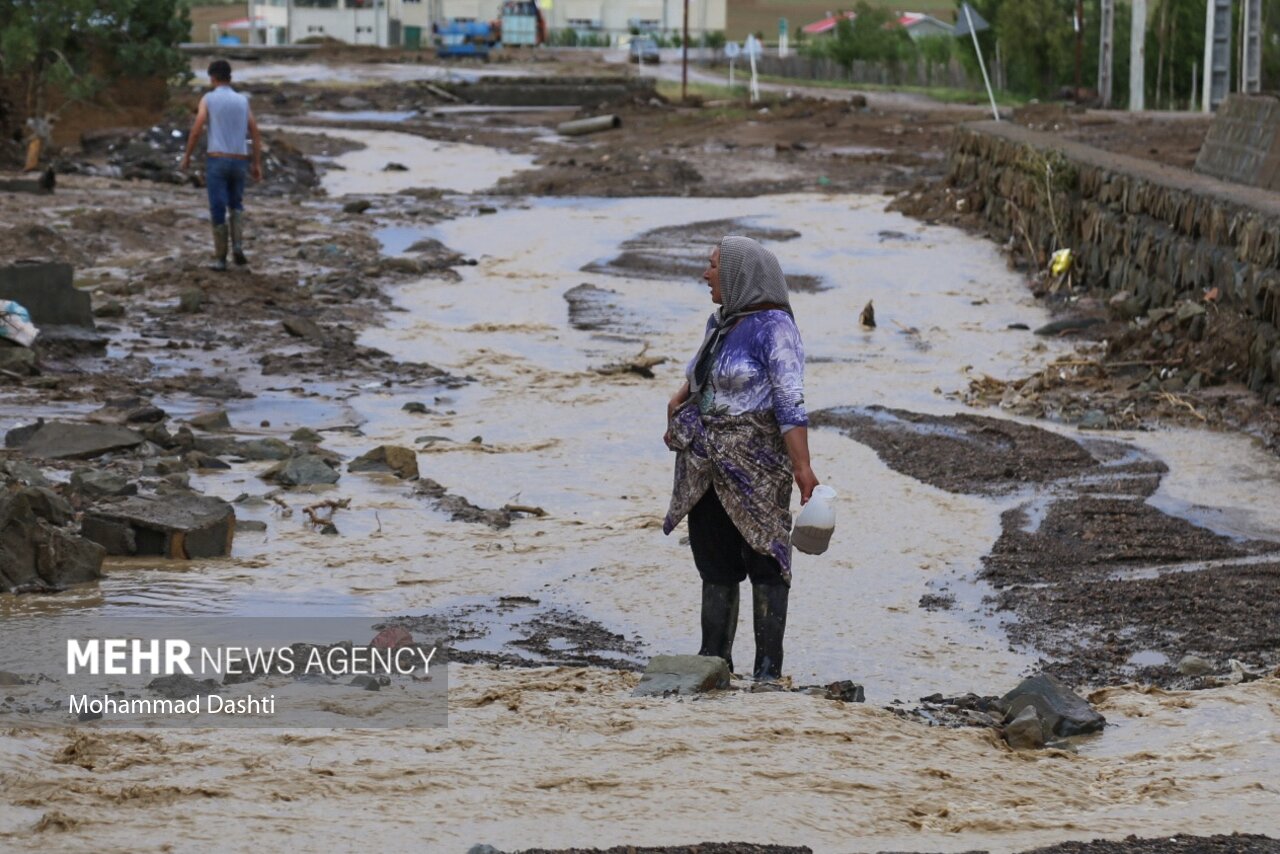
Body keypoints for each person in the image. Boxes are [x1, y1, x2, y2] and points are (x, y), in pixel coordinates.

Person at [662, 236, 819, 681]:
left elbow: (790, 401)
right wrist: (678, 405)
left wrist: (803, 469)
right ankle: (713, 665)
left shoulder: (775, 328)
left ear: (737, 274)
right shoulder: (722, 325)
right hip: (706, 469)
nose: (705, 274)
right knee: (715, 566)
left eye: (712, 267)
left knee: (767, 562)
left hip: (757, 472)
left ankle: (768, 674)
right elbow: (699, 378)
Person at [180, 60, 263, 272]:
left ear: (212, 78)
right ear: (230, 78)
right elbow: (254, 132)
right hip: (239, 159)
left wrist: (187, 156)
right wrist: (256, 162)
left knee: (217, 206)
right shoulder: (242, 100)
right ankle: (237, 246)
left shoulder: (208, 98)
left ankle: (220, 258)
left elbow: (197, 129)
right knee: (236, 204)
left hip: (217, 159)